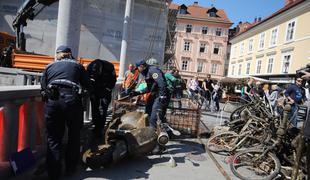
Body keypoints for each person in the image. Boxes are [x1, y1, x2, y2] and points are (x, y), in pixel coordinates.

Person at [40, 45, 91, 179]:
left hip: (53, 102)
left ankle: (53, 173)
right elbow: (87, 86)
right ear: (70, 54)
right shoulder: (78, 66)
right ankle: (70, 169)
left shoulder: (49, 66)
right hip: (72, 101)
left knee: (53, 138)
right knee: (74, 136)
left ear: (57, 55)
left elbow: (43, 87)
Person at [132, 59, 170, 153]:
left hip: (160, 96)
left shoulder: (153, 70)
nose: (138, 70)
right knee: (148, 114)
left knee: (155, 118)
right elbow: (150, 88)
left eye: (138, 68)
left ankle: (158, 145)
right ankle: (150, 139)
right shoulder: (146, 72)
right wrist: (137, 92)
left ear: (142, 66)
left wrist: (162, 96)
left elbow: (162, 84)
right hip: (155, 95)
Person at [87, 59, 117, 141]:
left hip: (105, 89)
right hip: (95, 89)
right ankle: (95, 126)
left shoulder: (109, 66)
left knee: (103, 110)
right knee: (94, 109)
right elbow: (86, 79)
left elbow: (114, 79)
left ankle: (100, 129)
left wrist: (108, 88)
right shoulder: (90, 67)